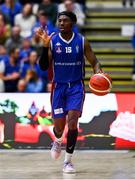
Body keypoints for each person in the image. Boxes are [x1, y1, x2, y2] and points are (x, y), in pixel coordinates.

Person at [35, 11, 103, 173]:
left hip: (76, 87)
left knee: (72, 123)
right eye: (59, 21)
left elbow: (94, 61)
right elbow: (44, 66)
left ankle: (68, 161)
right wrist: (45, 47)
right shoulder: (53, 41)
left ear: (72, 23)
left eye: (65, 21)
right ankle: (58, 140)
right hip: (59, 88)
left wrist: (98, 72)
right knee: (59, 127)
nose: (61, 23)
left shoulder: (82, 41)